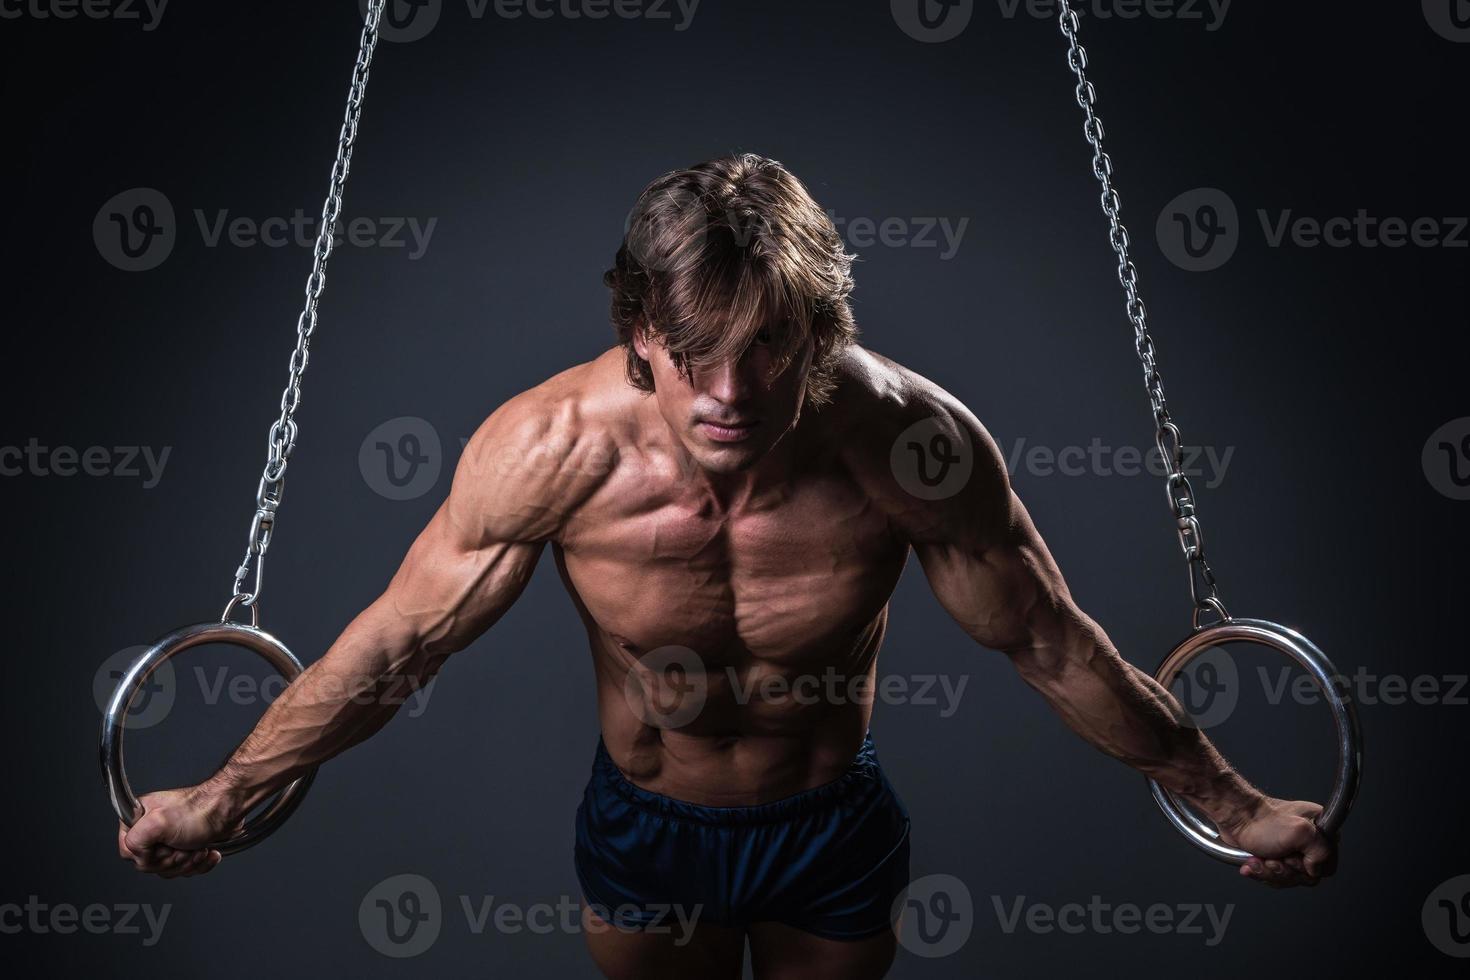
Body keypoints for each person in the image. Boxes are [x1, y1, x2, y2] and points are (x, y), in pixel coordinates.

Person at [116, 154, 1338, 979]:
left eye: (768, 346)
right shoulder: (552, 448)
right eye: (692, 348)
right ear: (636, 325)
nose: (730, 392)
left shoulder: (908, 445)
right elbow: (400, 643)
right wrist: (224, 794)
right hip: (647, 827)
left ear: (820, 323)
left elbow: (1047, 639)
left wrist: (1234, 804)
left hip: (829, 824)